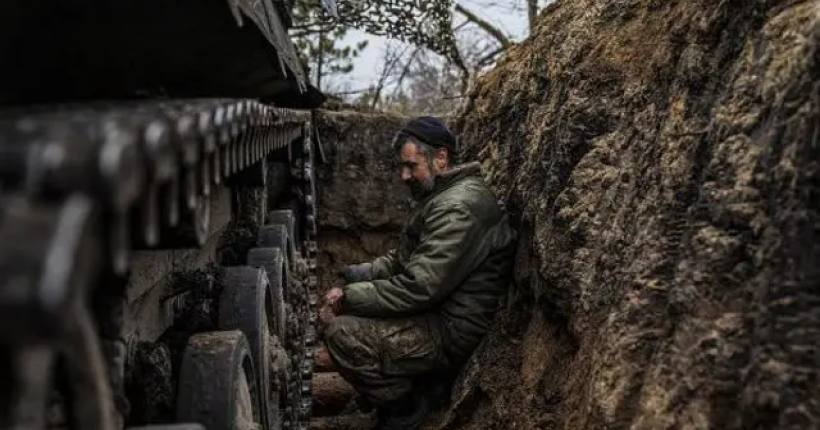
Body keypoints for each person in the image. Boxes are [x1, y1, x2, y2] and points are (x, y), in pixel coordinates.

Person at [319, 116, 517, 430]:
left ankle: (408, 406)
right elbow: (401, 261)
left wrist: (349, 298)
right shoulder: (440, 197)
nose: (404, 175)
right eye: (402, 166)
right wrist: (353, 275)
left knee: (342, 333)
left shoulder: (458, 207)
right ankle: (408, 387)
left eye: (411, 166)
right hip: (436, 312)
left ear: (441, 156)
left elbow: (418, 287)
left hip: (451, 329)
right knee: (359, 312)